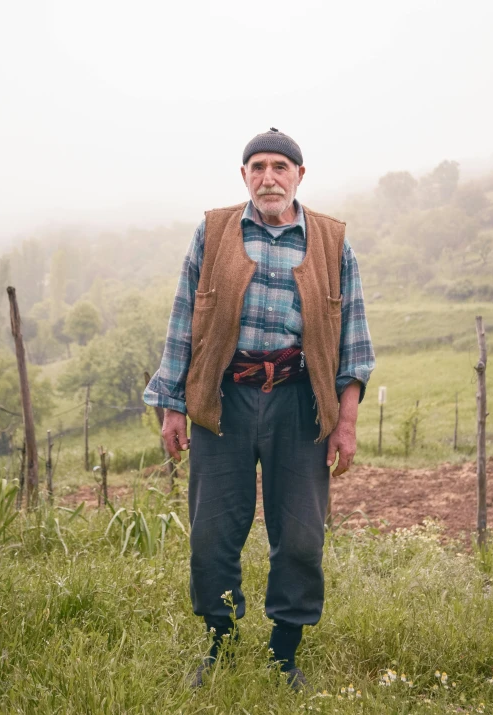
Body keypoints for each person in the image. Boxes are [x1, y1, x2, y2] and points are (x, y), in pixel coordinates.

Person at [144, 128, 375, 689]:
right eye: (257, 167)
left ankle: (284, 653)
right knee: (212, 532)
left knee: (300, 533)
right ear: (244, 175)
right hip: (222, 399)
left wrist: (344, 422)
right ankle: (220, 644)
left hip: (300, 402)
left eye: (279, 167)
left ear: (299, 175)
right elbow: (184, 321)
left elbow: (354, 342)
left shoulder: (331, 241)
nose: (268, 176)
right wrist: (173, 405)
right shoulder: (215, 230)